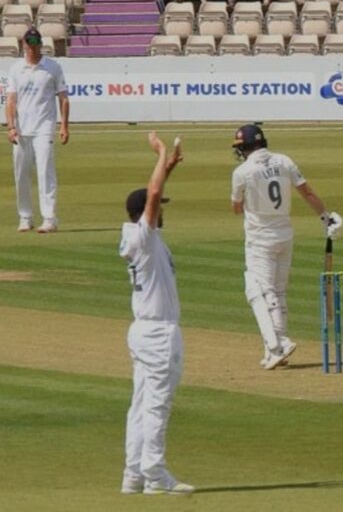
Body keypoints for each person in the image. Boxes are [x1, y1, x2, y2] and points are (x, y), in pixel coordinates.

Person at [231, 124, 341, 370]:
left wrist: (248, 199)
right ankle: (276, 351)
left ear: (245, 147)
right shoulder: (284, 161)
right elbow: (307, 192)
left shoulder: (242, 171)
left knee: (258, 291)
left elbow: (236, 209)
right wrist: (326, 217)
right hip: (285, 235)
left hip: (260, 239)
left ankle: (278, 343)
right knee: (277, 292)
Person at [119, 132, 193, 496]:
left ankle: (133, 474)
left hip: (142, 331)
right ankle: (154, 473)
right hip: (159, 333)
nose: (161, 209)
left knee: (140, 403)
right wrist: (160, 153)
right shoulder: (143, 238)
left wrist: (168, 168)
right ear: (145, 214)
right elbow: (149, 196)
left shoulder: (137, 237)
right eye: (158, 206)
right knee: (157, 405)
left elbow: (150, 196)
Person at [5, 27, 69, 234]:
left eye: (35, 42)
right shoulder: (16, 69)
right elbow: (11, 101)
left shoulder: (53, 67)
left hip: (44, 127)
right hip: (22, 130)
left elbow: (63, 97)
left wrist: (64, 126)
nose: (32, 46)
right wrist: (11, 127)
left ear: (40, 43)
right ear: (23, 44)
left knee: (45, 171)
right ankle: (25, 217)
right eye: (29, 42)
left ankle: (49, 218)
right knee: (21, 174)